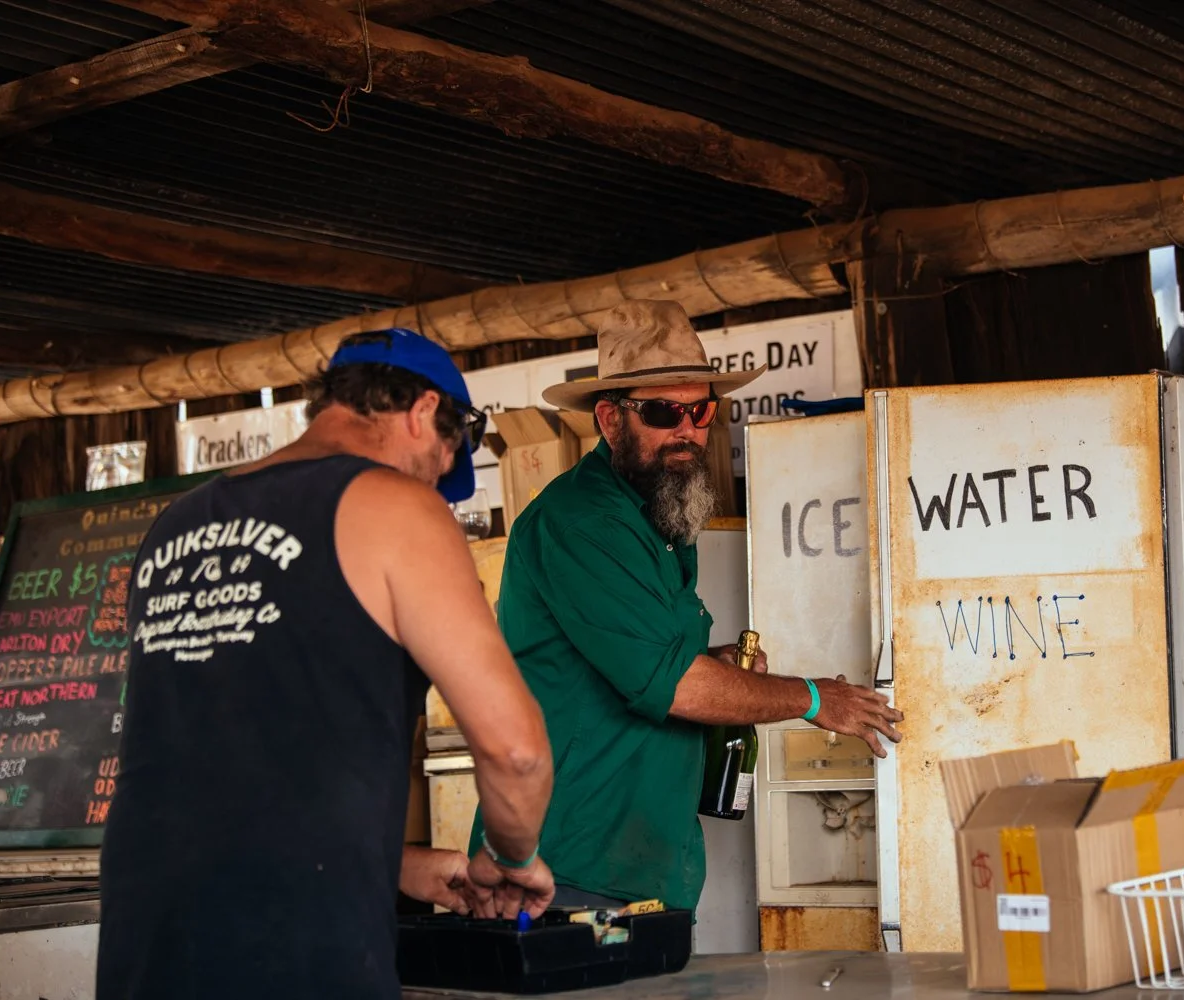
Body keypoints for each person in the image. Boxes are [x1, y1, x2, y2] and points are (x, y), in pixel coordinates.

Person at [98, 329, 555, 1000]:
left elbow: (230, 770)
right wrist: (511, 859)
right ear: (423, 412)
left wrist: (393, 865)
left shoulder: (175, 526)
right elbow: (516, 751)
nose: (435, 480)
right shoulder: (397, 506)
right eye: (441, 457)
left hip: (146, 944)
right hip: (295, 945)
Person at [469, 300, 903, 913]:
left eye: (700, 410)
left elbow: (650, 655)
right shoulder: (583, 522)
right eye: (661, 412)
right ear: (609, 419)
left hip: (636, 863)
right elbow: (673, 687)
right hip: (564, 865)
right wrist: (812, 698)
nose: (688, 429)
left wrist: (716, 661)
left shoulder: (660, 512)